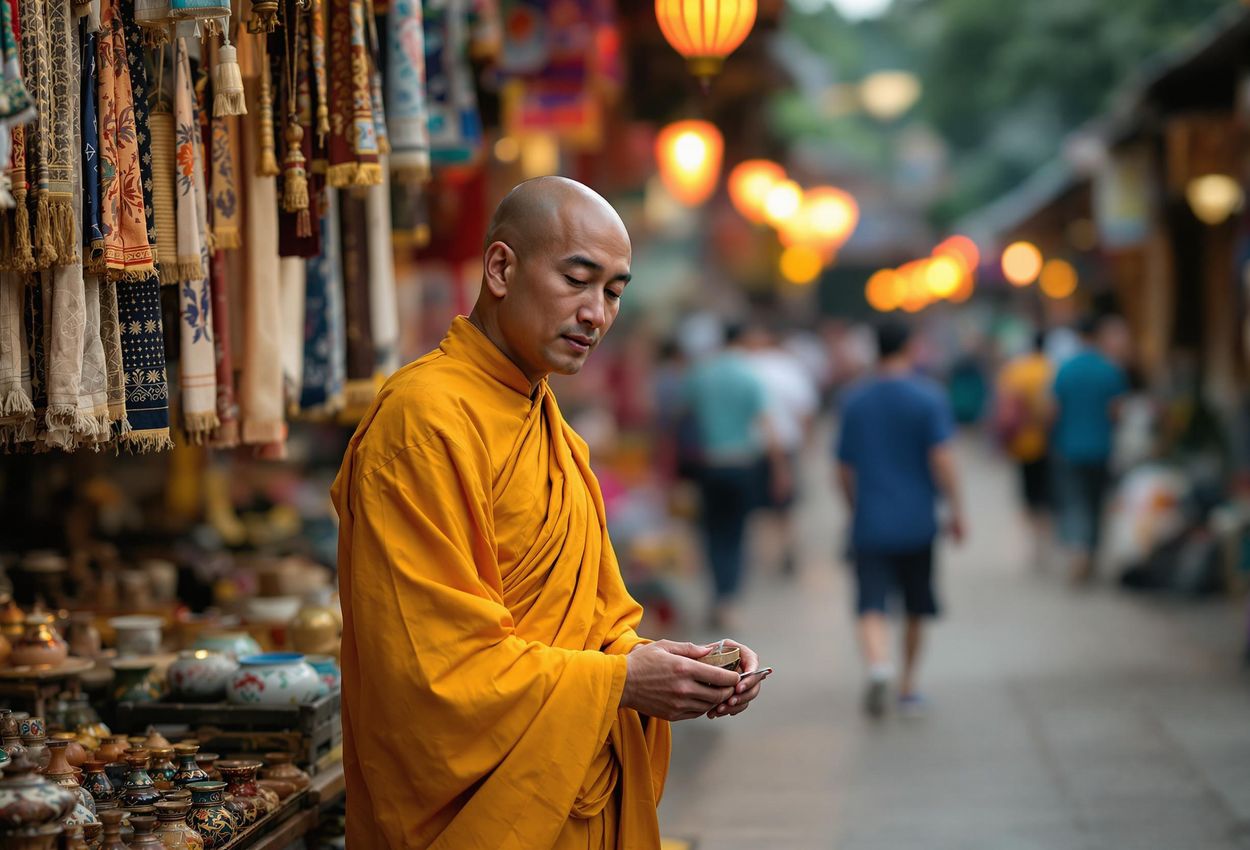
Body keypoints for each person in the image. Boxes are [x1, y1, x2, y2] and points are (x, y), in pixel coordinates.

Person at [331, 177, 768, 849]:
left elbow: (591, 630)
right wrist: (620, 681)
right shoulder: (424, 421)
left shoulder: (547, 424)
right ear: (502, 268)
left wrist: (671, 669)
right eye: (577, 280)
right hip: (481, 817)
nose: (596, 313)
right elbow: (428, 674)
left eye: (615, 291)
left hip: (571, 791)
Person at [837, 320, 964, 718]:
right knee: (914, 605)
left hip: (870, 520)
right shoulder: (928, 397)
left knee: (870, 603)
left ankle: (878, 666)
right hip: (917, 521)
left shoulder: (855, 400)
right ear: (910, 346)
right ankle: (908, 686)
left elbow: (843, 468)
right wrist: (956, 509)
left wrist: (854, 506)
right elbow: (941, 459)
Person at [681, 321, 786, 629]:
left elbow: (684, 416)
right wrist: (780, 467)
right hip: (742, 464)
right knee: (737, 533)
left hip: (708, 465)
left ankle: (718, 595)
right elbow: (766, 424)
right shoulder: (748, 375)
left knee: (712, 533)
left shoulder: (701, 374)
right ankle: (729, 599)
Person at [1051, 315, 1129, 583]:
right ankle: (1091, 555)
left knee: (1074, 502)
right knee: (1096, 503)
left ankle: (1077, 553)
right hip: (1100, 448)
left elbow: (1053, 410)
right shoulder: (1110, 370)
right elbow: (1117, 412)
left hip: (1069, 447)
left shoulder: (1065, 369)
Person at [741, 323, 819, 576]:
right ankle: (786, 549)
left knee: (757, 508)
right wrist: (807, 443)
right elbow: (805, 410)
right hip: (785, 445)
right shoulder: (788, 367)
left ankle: (765, 556)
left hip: (751, 447)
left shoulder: (742, 367)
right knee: (784, 503)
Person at [995, 331, 1055, 568]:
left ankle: (1032, 545)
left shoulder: (1016, 371)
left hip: (1022, 444)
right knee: (1047, 494)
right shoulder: (1051, 369)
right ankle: (1045, 541)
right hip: (1048, 443)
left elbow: (1003, 405)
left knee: (1028, 494)